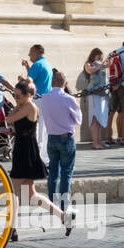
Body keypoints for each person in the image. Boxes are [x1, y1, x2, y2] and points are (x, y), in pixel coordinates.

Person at [6, 78, 67, 240]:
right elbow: (11, 120)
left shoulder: (30, 107)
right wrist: (16, 107)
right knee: (31, 195)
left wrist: (15, 109)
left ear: (28, 95)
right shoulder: (23, 106)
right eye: (15, 96)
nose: (16, 99)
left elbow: (9, 119)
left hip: (26, 151)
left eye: (19, 96)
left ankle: (11, 229)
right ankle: (63, 216)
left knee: (12, 191)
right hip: (22, 149)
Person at [39, 70, 82, 231]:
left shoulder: (45, 98)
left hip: (52, 138)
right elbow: (78, 119)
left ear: (51, 83)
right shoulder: (68, 98)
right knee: (66, 174)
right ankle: (65, 206)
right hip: (66, 137)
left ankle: (52, 204)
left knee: (53, 174)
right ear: (65, 83)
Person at [22, 44, 53, 162]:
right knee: (44, 130)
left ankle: (37, 158)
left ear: (37, 52)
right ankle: (44, 157)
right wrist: (27, 67)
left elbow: (29, 80)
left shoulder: (37, 64)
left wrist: (22, 82)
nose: (29, 55)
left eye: (31, 52)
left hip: (37, 100)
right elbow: (37, 77)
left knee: (37, 130)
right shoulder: (46, 63)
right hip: (46, 100)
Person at [83, 48, 109, 151]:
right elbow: (90, 71)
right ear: (93, 55)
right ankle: (95, 142)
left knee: (99, 118)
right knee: (94, 117)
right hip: (94, 93)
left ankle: (98, 140)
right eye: (98, 56)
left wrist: (107, 64)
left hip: (102, 93)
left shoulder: (100, 64)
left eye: (101, 57)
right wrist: (100, 64)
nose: (100, 58)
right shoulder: (88, 64)